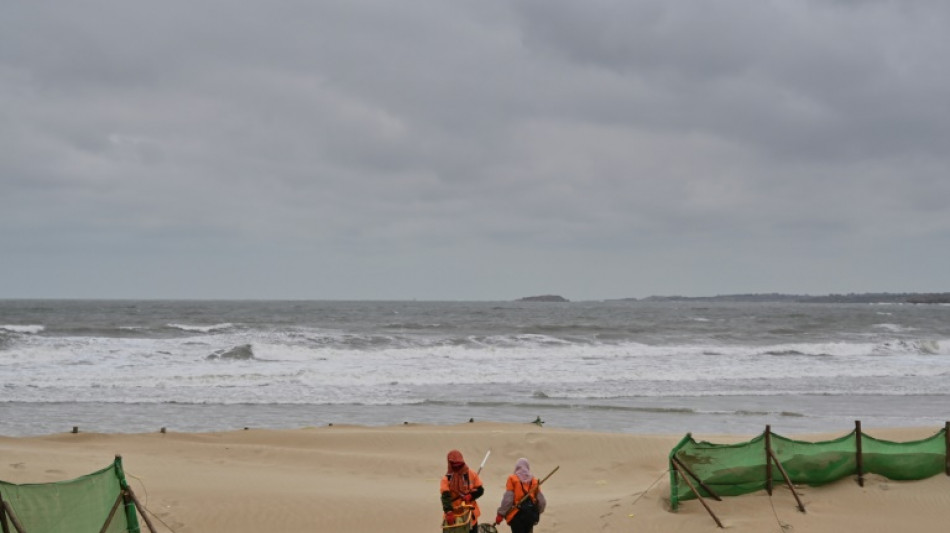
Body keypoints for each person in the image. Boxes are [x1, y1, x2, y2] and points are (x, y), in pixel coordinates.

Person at [494, 458, 546, 533]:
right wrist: (535, 511)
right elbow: (542, 502)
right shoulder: (534, 481)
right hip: (530, 516)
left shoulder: (512, 479)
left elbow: (508, 499)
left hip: (516, 515)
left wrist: (501, 514)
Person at [440, 449, 485, 532]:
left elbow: (480, 490)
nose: (457, 467)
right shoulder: (446, 479)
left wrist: (471, 496)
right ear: (450, 464)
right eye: (455, 465)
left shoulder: (471, 474)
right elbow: (445, 497)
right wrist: (449, 513)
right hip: (454, 519)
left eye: (459, 465)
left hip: (470, 517)